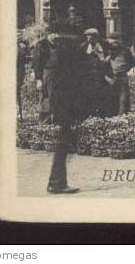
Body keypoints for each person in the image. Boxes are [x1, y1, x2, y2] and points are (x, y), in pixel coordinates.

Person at [44, 23, 91, 194]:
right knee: (63, 141)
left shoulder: (59, 54)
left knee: (64, 141)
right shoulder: (68, 55)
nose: (84, 41)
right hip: (66, 105)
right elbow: (72, 83)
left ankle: (57, 181)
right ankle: (56, 182)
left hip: (62, 104)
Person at [80, 28, 114, 117]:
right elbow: (79, 63)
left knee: (101, 96)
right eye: (88, 38)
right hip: (88, 77)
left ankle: (102, 116)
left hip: (101, 76)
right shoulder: (83, 48)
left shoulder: (104, 47)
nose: (90, 40)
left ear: (96, 38)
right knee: (88, 97)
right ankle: (89, 115)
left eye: (92, 38)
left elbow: (109, 61)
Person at [33, 30, 62, 122]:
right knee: (45, 94)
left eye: (57, 34)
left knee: (55, 95)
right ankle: (45, 119)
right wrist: (38, 78)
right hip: (46, 72)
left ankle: (55, 117)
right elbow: (37, 62)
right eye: (54, 34)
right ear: (49, 35)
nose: (56, 36)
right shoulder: (42, 45)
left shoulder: (58, 44)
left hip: (57, 73)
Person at [105, 33, 135, 115]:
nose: (113, 45)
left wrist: (123, 70)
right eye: (111, 42)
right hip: (109, 78)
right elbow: (102, 65)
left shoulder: (125, 50)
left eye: (115, 42)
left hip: (122, 77)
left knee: (123, 98)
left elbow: (132, 63)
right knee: (110, 98)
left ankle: (122, 115)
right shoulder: (106, 50)